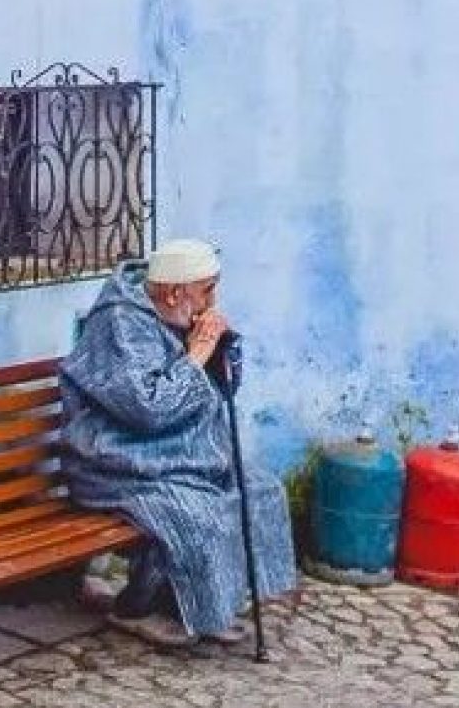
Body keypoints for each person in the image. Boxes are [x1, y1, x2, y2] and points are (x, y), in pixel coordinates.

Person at [56, 238, 299, 649]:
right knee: (198, 512)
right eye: (207, 290)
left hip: (177, 455)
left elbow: (220, 389)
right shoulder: (120, 324)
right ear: (173, 293)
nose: (213, 300)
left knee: (258, 490)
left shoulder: (174, 312)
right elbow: (147, 408)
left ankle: (207, 603)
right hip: (115, 463)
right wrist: (199, 352)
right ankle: (137, 607)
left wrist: (219, 351)